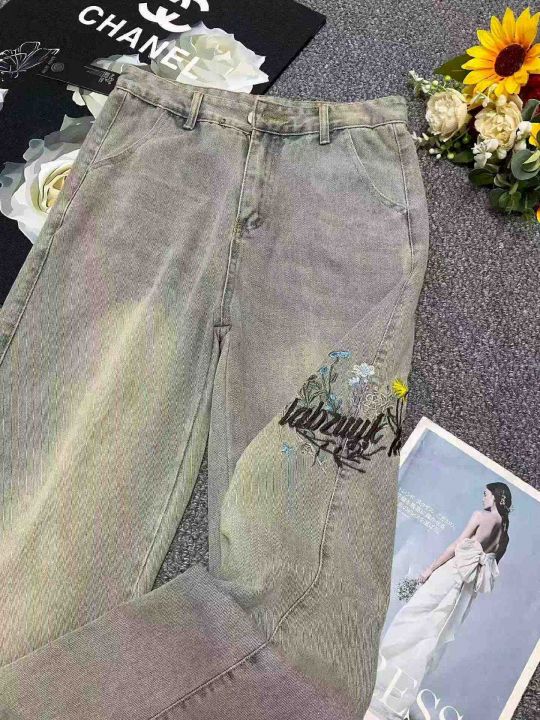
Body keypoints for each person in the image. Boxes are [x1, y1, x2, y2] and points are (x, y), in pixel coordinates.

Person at [369, 482, 512, 720]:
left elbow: (456, 546)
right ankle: (399, 690)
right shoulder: (504, 536)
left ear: (496, 497)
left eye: (485, 494)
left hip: (451, 573)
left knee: (413, 616)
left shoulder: (480, 516)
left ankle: (381, 676)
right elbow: (488, 566)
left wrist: (430, 568)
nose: (483, 498)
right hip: (465, 589)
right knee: (434, 633)